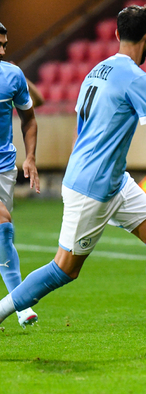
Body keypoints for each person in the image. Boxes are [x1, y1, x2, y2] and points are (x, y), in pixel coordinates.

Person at [0, 6, 146, 353]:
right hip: (92, 187)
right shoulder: (137, 78)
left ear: (119, 35)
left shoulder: (97, 69)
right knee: (64, 270)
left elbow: (82, 124)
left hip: (113, 180)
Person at [0, 22, 41, 329]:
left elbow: (29, 118)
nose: (3, 51)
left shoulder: (12, 75)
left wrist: (30, 156)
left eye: (5, 44)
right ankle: (18, 303)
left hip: (5, 167)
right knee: (3, 225)